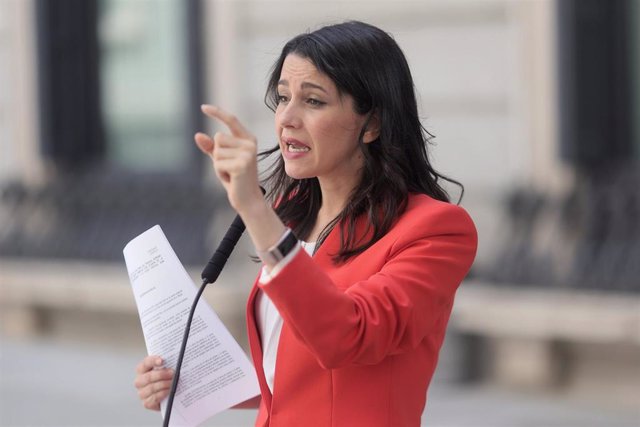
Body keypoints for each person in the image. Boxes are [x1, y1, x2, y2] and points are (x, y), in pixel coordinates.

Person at [134, 20, 477, 426]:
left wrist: (255, 210)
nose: (287, 119)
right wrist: (192, 383)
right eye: (282, 98)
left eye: (313, 101)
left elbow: (347, 336)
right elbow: (293, 369)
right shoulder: (294, 213)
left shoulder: (436, 229)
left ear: (372, 123)